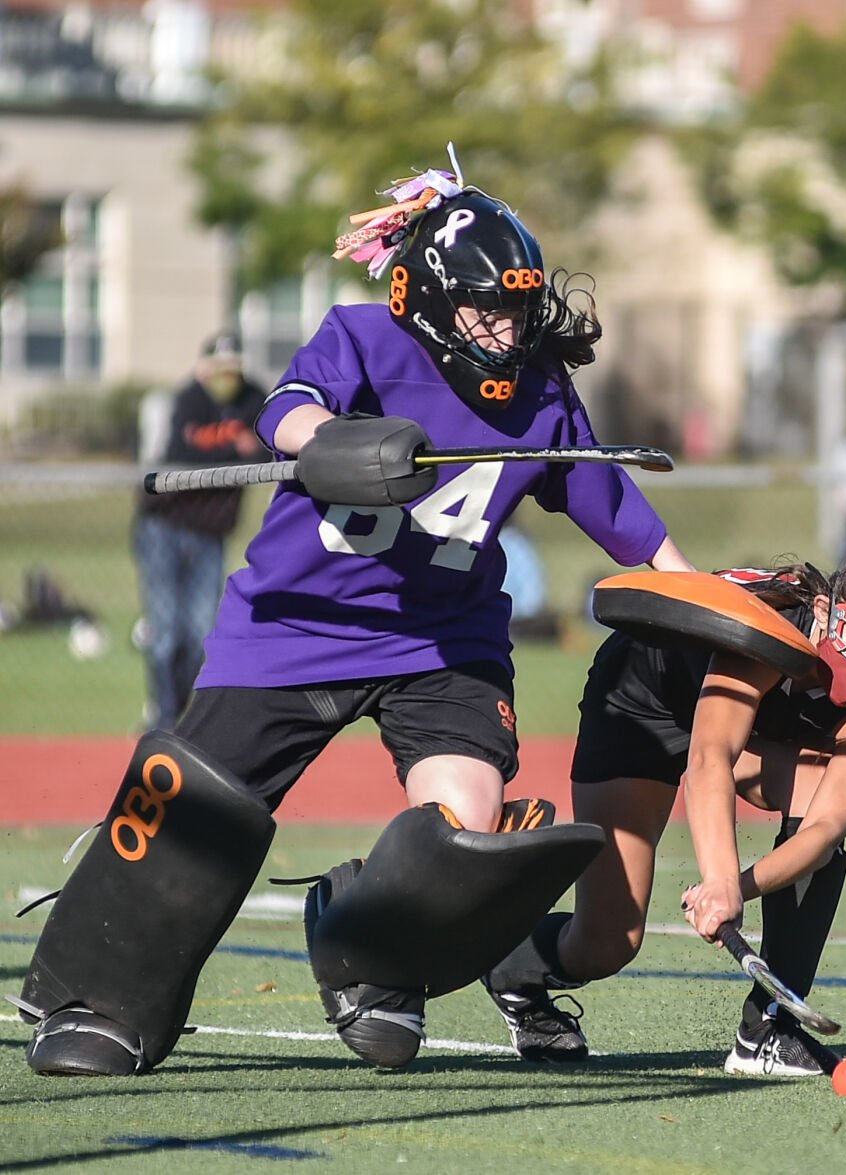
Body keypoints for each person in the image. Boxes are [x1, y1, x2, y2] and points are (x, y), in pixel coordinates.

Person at [17, 162, 692, 1078]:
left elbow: (641, 539)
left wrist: (707, 602)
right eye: (484, 309)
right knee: (193, 811)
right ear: (422, 300)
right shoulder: (363, 338)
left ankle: (365, 950)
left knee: (463, 826)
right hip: (293, 626)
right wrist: (329, 442)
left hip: (444, 641)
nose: (507, 329)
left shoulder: (542, 393)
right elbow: (286, 410)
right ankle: (92, 995)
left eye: (517, 308)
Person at [483, 528, 846, 1075]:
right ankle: (511, 970)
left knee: (814, 797)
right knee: (609, 942)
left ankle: (769, 1028)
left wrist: (739, 888)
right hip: (643, 709)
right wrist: (721, 879)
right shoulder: (770, 627)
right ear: (825, 610)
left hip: (754, 735)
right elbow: (709, 759)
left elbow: (823, 831)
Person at [131, 332, 267, 731]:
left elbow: (265, 451)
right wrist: (233, 447)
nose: (226, 376)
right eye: (219, 368)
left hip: (211, 531)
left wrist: (238, 448)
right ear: (203, 368)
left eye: (233, 369)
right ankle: (163, 715)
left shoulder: (253, 399)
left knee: (200, 632)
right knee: (166, 632)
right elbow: (182, 453)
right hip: (164, 525)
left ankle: (180, 716)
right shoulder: (189, 398)